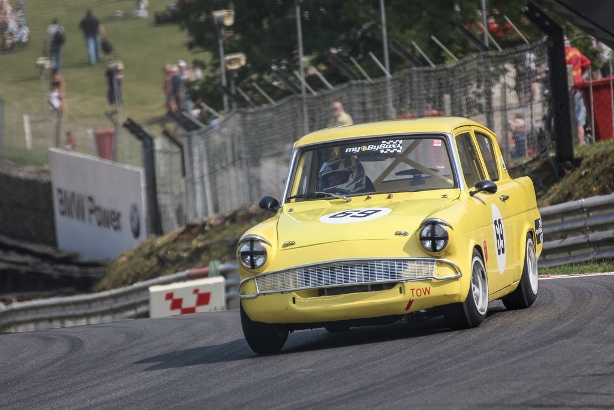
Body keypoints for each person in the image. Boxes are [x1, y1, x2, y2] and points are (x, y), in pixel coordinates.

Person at [564, 37, 591, 146]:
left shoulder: (562, 54)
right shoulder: (576, 51)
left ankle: (575, 143)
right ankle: (580, 143)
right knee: (580, 117)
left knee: (570, 117)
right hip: (578, 87)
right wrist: (581, 75)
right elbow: (587, 63)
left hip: (567, 89)